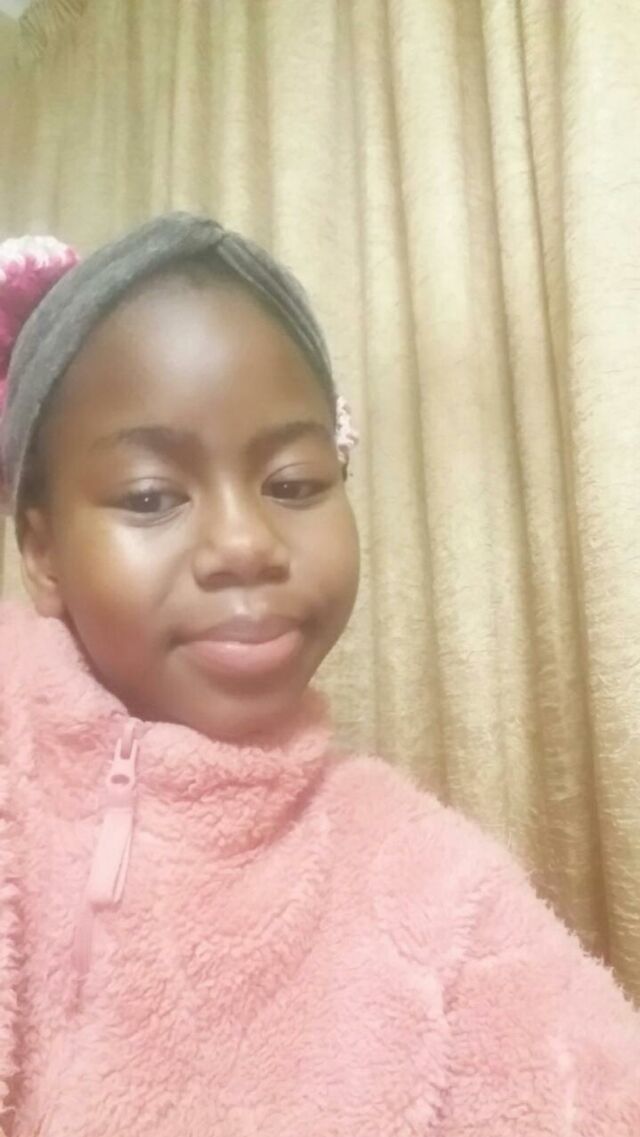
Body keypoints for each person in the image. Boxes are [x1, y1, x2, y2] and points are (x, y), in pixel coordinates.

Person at [0, 213, 638, 1137]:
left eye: (294, 483)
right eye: (151, 496)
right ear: (42, 550)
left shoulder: (436, 894)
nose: (245, 544)